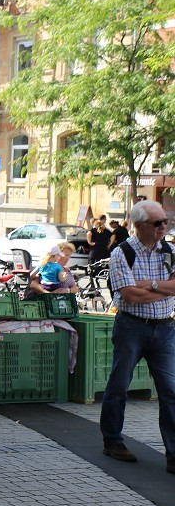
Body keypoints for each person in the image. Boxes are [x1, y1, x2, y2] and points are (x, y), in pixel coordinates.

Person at [100, 199, 175, 474]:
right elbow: (129, 295)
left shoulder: (169, 250)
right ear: (139, 225)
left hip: (165, 327)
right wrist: (165, 288)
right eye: (158, 223)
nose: (163, 227)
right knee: (119, 385)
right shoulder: (123, 252)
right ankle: (113, 441)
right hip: (132, 326)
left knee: (171, 391)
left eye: (165, 221)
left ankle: (174, 453)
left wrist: (151, 285)